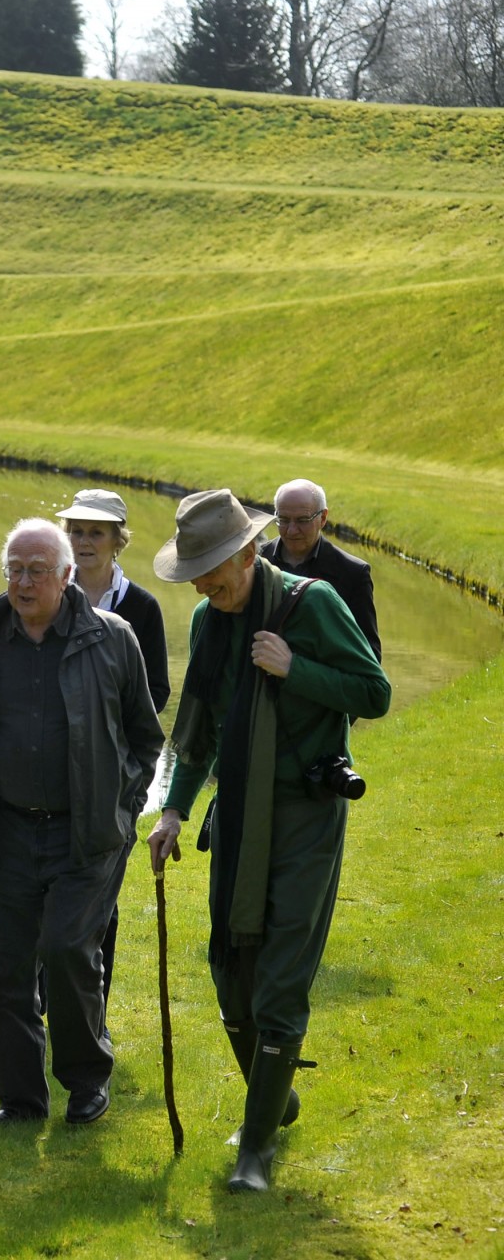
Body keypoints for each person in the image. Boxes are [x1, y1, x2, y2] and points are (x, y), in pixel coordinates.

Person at [146, 489, 390, 1193]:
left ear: (249, 554)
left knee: (280, 979)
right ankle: (275, 1096)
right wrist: (173, 813)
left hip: (305, 819)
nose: (203, 585)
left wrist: (296, 668)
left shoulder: (312, 606)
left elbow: (374, 692)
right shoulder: (207, 619)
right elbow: (199, 727)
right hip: (239, 812)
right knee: (232, 973)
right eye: (196, 574)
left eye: (214, 572)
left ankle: (253, 1150)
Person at [0, 519, 164, 1126]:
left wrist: (121, 802)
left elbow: (145, 737)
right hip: (6, 828)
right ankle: (19, 1099)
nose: (24, 581)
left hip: (85, 831)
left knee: (65, 949)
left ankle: (86, 1081)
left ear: (66, 576)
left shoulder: (112, 638)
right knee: (3, 968)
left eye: (37, 570)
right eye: (14, 568)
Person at [56, 487, 171, 1010]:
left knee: (102, 891)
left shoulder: (141, 608)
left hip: (113, 774)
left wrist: (115, 746)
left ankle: (93, 1006)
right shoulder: (45, 589)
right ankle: (44, 1003)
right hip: (50, 767)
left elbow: (157, 692)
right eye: (76, 531)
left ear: (117, 541)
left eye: (95, 533)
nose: (83, 541)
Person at [259, 479, 380, 661]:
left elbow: (369, 656)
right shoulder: (255, 562)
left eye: (302, 520)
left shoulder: (353, 573)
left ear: (323, 518)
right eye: (283, 520)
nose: (291, 531)